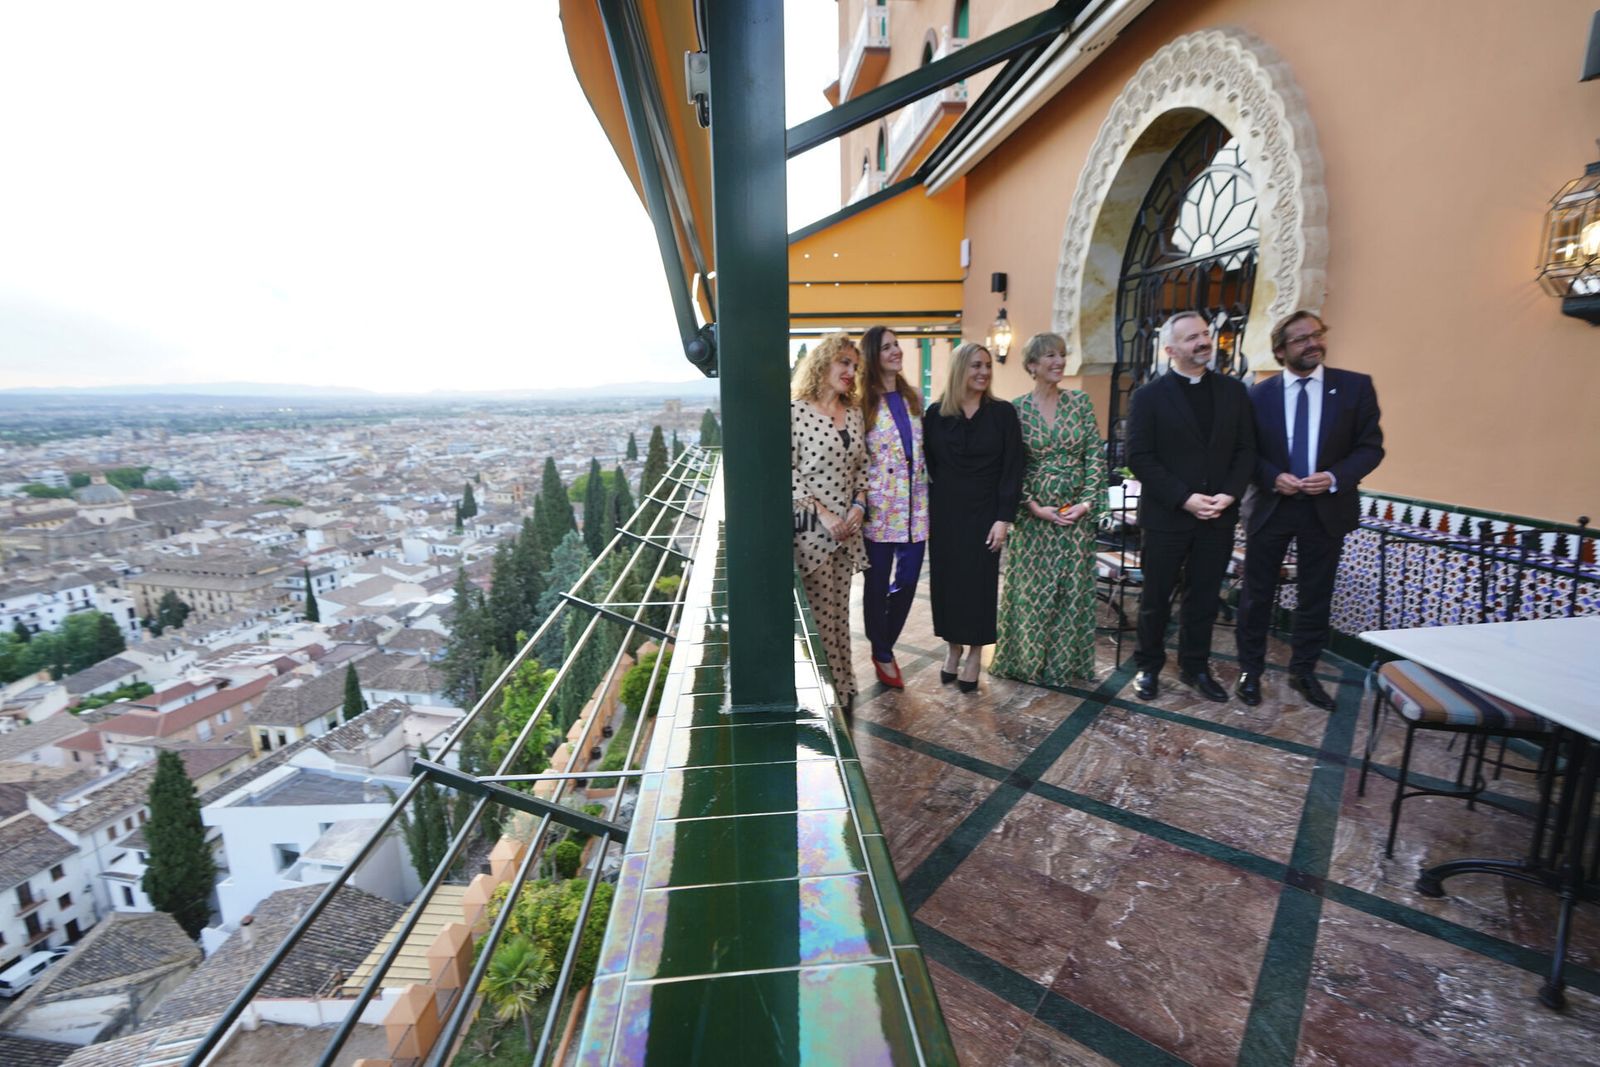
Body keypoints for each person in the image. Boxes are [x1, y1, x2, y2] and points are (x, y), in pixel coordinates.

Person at [1235, 311, 1384, 710]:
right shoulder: (1258, 395)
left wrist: (1335, 477)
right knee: (1257, 595)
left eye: (1316, 335)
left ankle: (1304, 672)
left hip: (1326, 508)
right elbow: (1244, 452)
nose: (1312, 343)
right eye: (1300, 339)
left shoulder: (1355, 388)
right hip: (1271, 507)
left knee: (1315, 596)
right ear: (1281, 350)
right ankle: (1250, 670)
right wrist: (1271, 476)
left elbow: (1370, 447)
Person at [1126, 311, 1256, 702]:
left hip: (1218, 515)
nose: (1202, 342)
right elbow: (1141, 456)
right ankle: (1148, 666)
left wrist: (1229, 494)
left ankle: (1194, 667)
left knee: (1203, 599)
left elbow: (1247, 448)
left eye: (1204, 334)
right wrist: (1185, 498)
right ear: (1170, 350)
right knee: (1155, 598)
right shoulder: (1148, 397)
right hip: (1167, 516)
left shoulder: (1234, 392)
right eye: (1191, 338)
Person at [992, 333, 1105, 685]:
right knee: (1029, 592)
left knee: (1072, 592)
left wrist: (1086, 503)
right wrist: (1032, 504)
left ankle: (1064, 666)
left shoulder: (1080, 402)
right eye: (1050, 356)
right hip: (1033, 518)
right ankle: (1024, 663)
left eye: (1062, 355)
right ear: (1032, 365)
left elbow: (1095, 457)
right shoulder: (1016, 409)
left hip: (1076, 519)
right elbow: (1011, 465)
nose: (1059, 362)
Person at [922, 342, 1024, 692]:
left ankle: (975, 654)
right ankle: (952, 649)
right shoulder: (935, 415)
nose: (983, 372)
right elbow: (930, 466)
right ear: (959, 370)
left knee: (979, 586)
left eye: (987, 366)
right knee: (947, 584)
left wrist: (1003, 517)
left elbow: (1013, 468)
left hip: (986, 513)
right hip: (946, 512)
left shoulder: (1003, 414)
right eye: (975, 366)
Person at [791, 333, 870, 711]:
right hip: (811, 531)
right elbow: (788, 473)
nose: (850, 372)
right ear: (823, 364)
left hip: (848, 531)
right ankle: (822, 698)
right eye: (843, 363)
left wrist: (858, 506)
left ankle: (845, 688)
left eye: (854, 366)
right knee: (818, 619)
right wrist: (823, 516)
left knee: (841, 614)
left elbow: (862, 466)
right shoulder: (795, 411)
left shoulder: (853, 413)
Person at [858, 326, 927, 690]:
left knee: (910, 579)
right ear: (873, 355)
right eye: (887, 347)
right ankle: (882, 650)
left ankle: (883, 641)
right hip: (879, 508)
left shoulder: (914, 397)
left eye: (897, 344)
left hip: (916, 508)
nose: (896, 351)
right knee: (876, 584)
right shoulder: (861, 403)